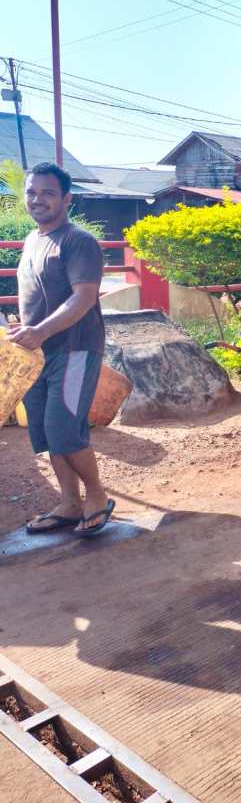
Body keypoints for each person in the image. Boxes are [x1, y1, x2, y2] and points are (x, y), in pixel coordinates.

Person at [8, 162, 115, 538]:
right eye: (32, 192)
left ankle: (97, 497)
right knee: (46, 432)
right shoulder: (33, 240)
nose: (38, 200)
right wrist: (26, 328)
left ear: (67, 199)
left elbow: (83, 298)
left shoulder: (77, 241)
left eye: (48, 193)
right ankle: (70, 503)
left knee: (64, 428)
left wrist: (40, 330)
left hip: (74, 349)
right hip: (37, 352)